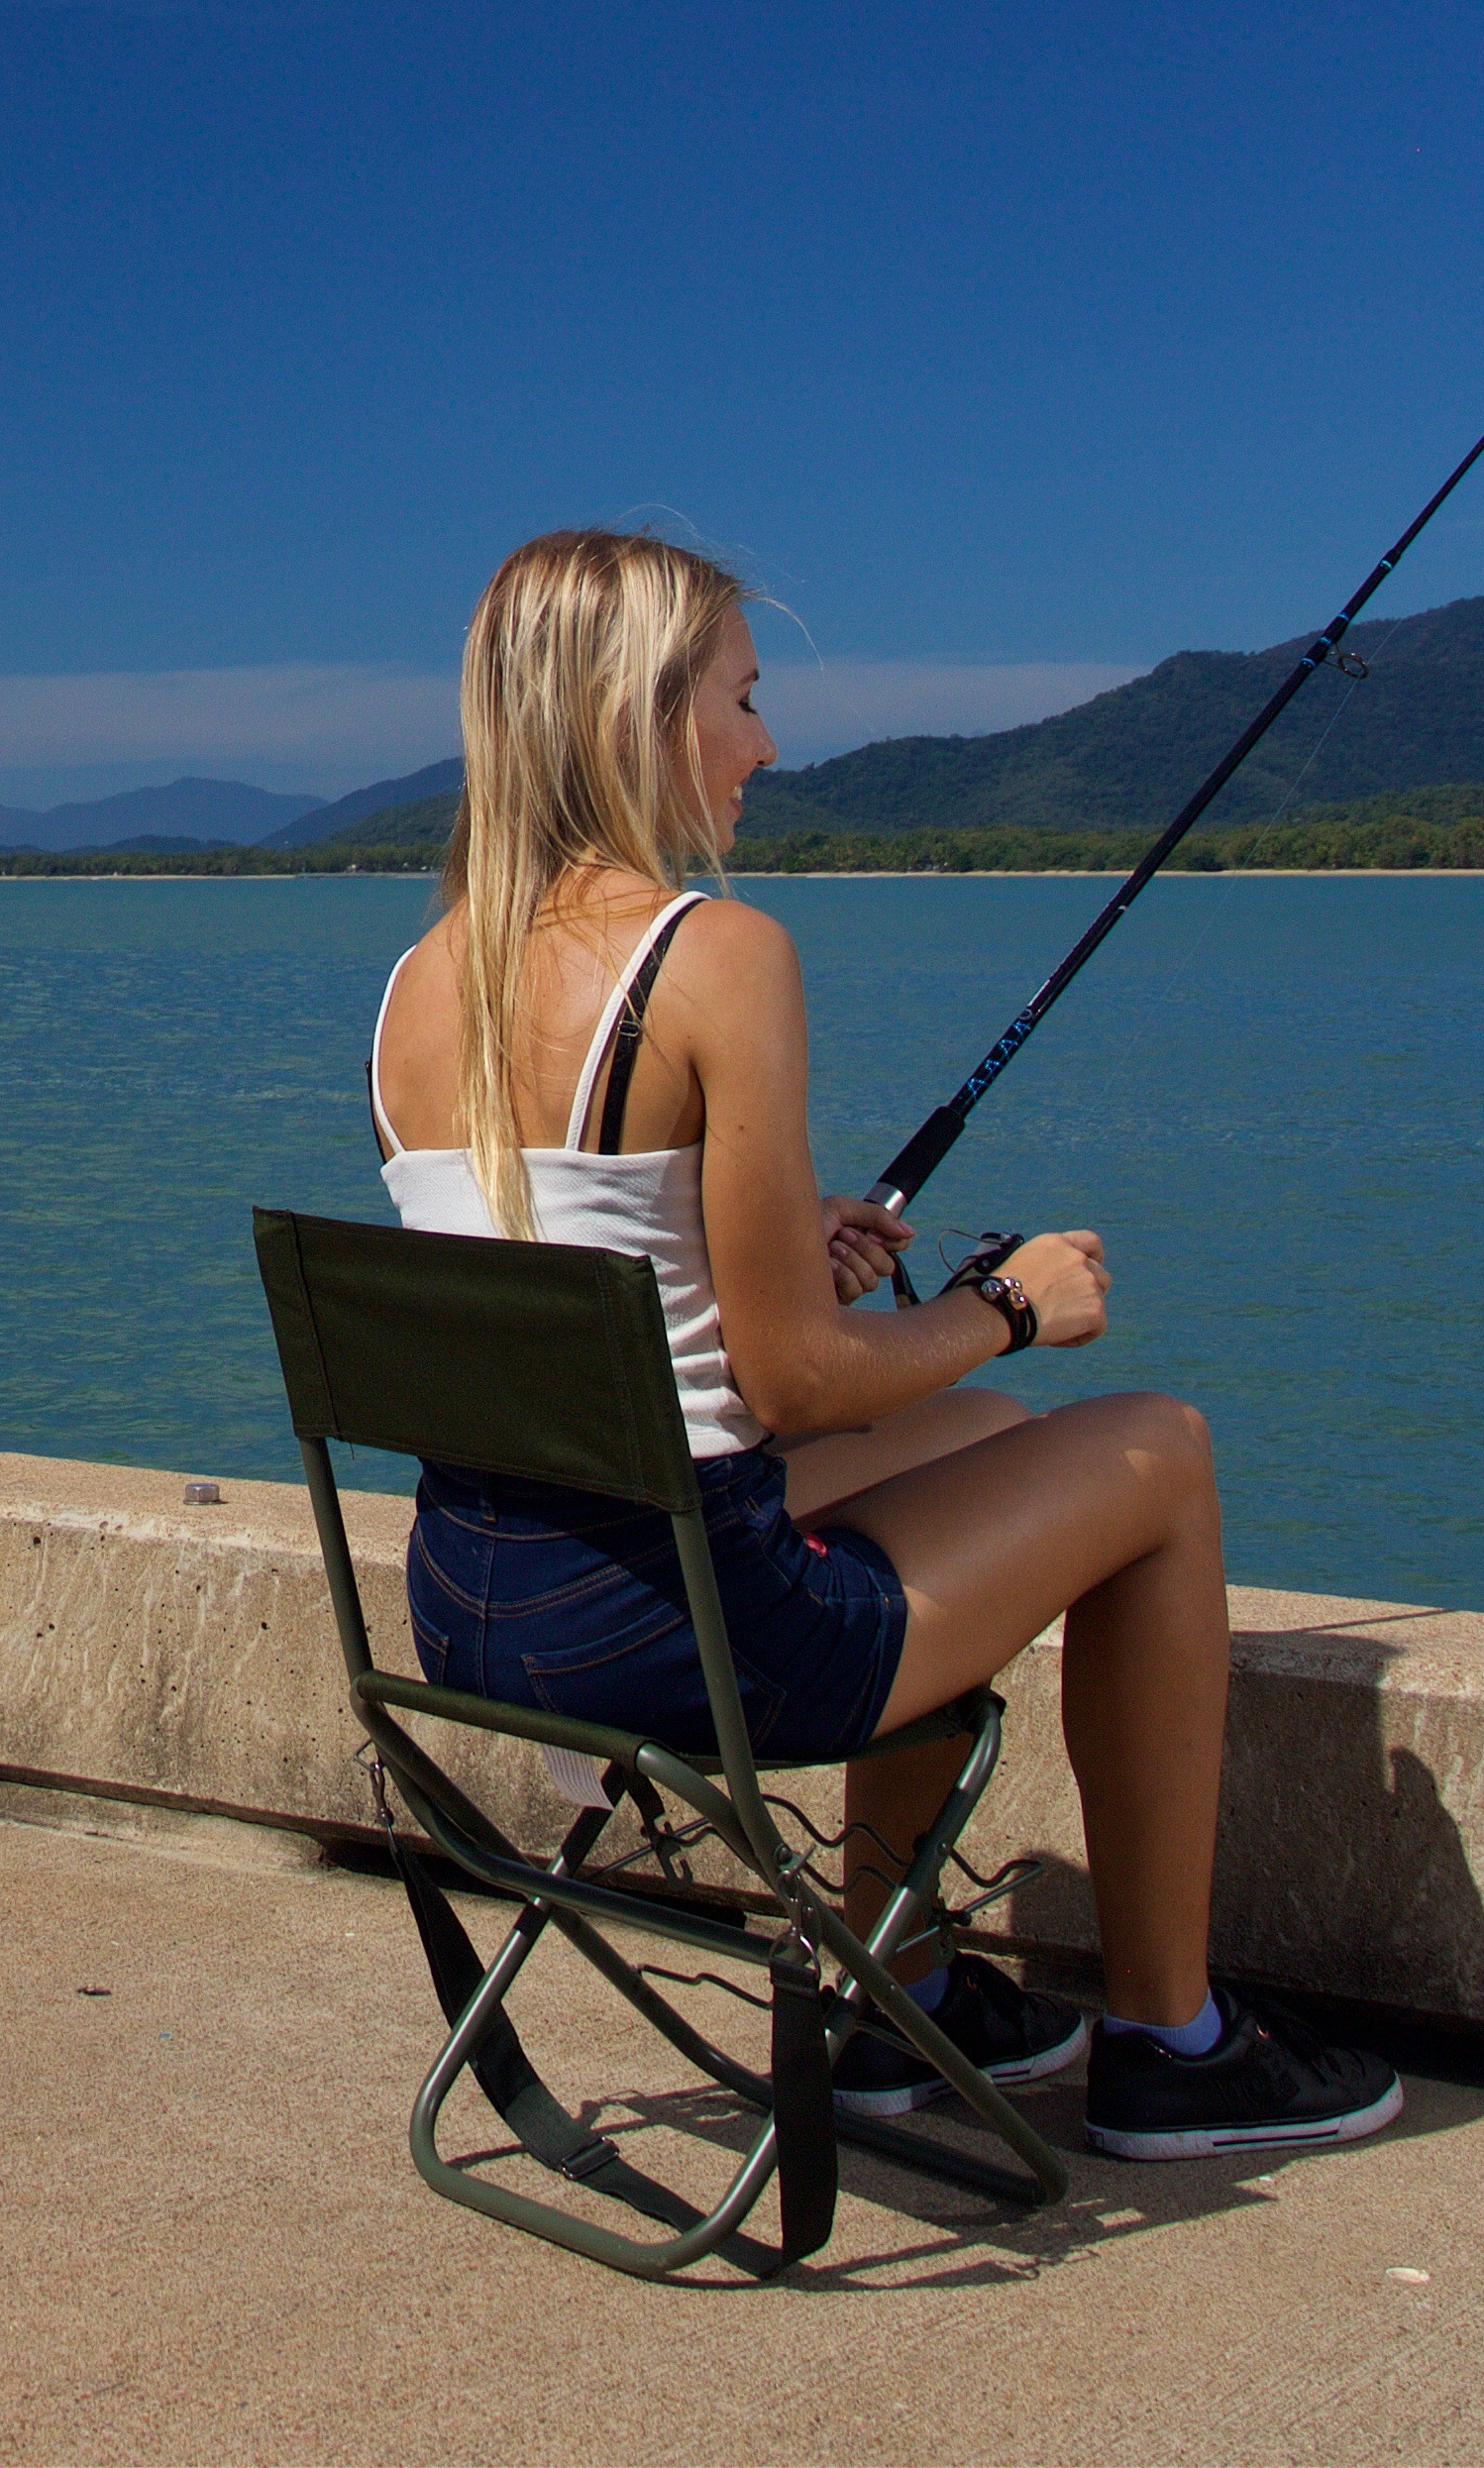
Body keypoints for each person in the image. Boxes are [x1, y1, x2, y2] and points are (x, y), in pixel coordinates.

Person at [370, 530, 1397, 2162]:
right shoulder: (717, 954)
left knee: (982, 1430)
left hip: (476, 1605)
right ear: (638, 712)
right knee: (1155, 1444)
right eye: (741, 697)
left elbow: (600, 1268)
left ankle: (892, 1982)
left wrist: (798, 1253)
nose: (764, 744)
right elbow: (789, 1387)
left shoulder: (420, 983)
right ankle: (1169, 2034)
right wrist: (1011, 1300)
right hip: (692, 1633)